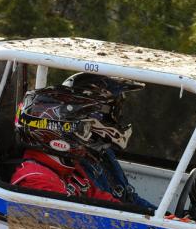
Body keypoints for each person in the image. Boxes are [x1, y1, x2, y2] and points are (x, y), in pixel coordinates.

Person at [11, 75, 154, 209]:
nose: (87, 136)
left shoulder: (69, 168)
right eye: (82, 130)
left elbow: (111, 205)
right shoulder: (36, 180)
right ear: (56, 130)